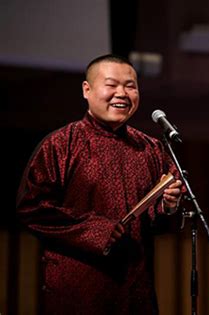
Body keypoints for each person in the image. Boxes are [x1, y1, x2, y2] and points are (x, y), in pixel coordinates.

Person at [16, 54, 183, 314]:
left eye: (130, 86)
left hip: (135, 288)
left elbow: (157, 223)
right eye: (112, 84)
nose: (122, 93)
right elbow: (32, 208)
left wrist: (168, 206)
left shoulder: (150, 148)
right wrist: (96, 229)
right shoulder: (61, 144)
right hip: (76, 290)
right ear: (87, 89)